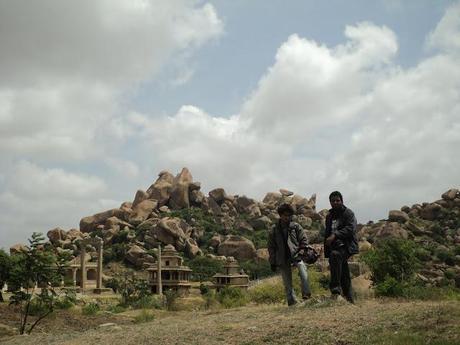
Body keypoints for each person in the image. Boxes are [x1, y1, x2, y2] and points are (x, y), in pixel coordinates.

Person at [268, 203, 311, 306]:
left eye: (289, 215)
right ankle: (292, 302)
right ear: (280, 215)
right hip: (282, 258)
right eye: (284, 215)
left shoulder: (295, 226)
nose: (287, 217)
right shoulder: (274, 229)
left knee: (303, 273)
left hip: (296, 255)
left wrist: (301, 251)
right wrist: (272, 262)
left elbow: (304, 240)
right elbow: (271, 247)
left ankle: (306, 295)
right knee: (287, 283)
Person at [324, 191, 359, 303]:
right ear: (330, 202)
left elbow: (351, 229)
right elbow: (327, 232)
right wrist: (326, 246)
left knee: (335, 256)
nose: (335, 202)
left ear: (342, 201)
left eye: (337, 200)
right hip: (334, 246)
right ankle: (349, 298)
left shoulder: (348, 213)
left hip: (347, 245)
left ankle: (335, 290)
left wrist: (335, 235)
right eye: (333, 201)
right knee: (343, 269)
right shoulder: (329, 216)